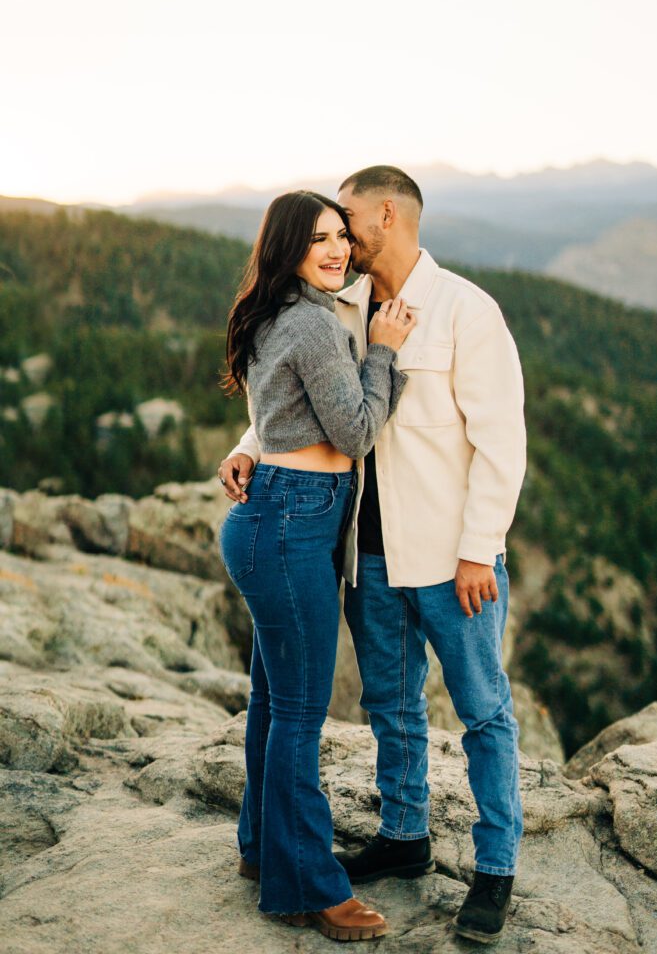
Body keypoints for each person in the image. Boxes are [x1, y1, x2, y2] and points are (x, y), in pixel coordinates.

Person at [220, 166, 527, 945]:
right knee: (390, 709)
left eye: (346, 222)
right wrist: (248, 445)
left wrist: (478, 552)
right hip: (365, 555)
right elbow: (305, 398)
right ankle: (404, 835)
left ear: (385, 215)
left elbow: (501, 445)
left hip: (451, 560)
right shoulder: (344, 308)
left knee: (483, 714)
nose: (340, 240)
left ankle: (493, 871)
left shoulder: (466, 310)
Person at [218, 188, 416, 942]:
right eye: (318, 241)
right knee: (299, 715)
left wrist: (243, 449)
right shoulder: (310, 323)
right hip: (292, 522)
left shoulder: (278, 310)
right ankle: (306, 888)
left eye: (342, 237)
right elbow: (358, 432)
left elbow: (277, 418)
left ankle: (261, 850)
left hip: (278, 515)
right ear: (288, 250)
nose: (336, 251)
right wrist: (388, 352)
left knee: (273, 702)